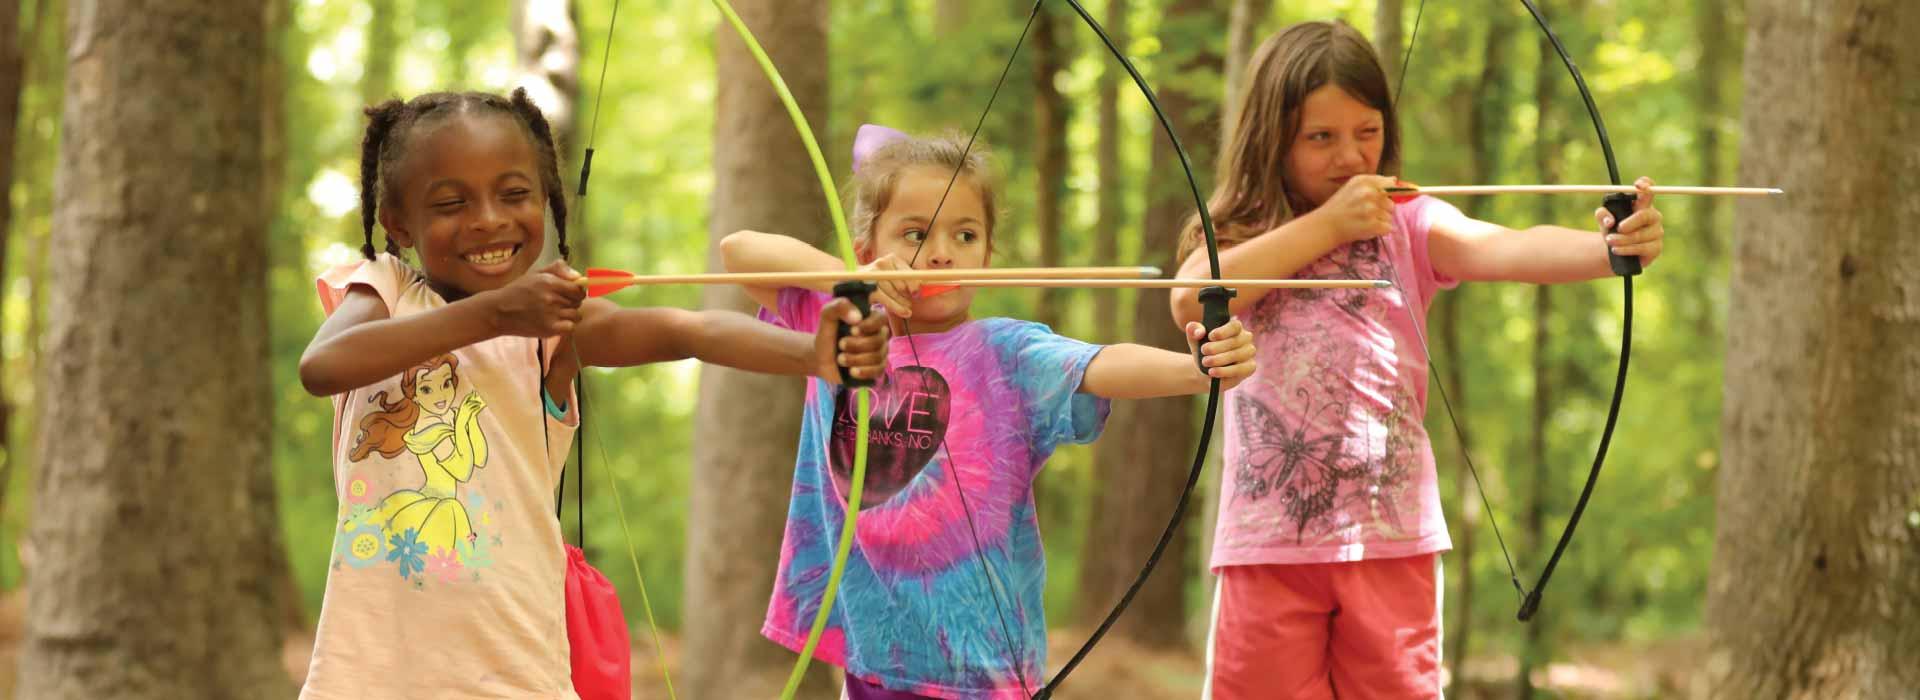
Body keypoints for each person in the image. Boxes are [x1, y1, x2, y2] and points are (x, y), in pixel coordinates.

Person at [297, 88, 891, 699]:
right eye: (451, 202)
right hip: (368, 673)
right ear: (398, 221)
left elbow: (686, 330)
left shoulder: (552, 331)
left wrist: (813, 355)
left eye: (514, 194)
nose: (488, 219)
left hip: (516, 670)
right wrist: (496, 314)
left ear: (545, 202)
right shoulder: (384, 290)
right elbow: (322, 367)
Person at [1166, 21, 1667, 699]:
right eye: (1322, 137)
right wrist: (1329, 225)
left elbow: (1505, 246)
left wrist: (1608, 249)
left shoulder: (1407, 222)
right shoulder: (1241, 239)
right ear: (1272, 138)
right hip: (1268, 546)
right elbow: (1194, 295)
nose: (1350, 155)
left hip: (1391, 539)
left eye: (1366, 132)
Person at [720, 125, 1261, 699]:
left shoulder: (1007, 351)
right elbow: (739, 251)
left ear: (988, 256)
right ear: (866, 252)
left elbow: (1100, 364)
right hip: (873, 653)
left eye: (966, 234)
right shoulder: (838, 328)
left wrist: (1197, 369)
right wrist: (850, 283)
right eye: (914, 233)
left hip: (981, 665)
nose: (940, 252)